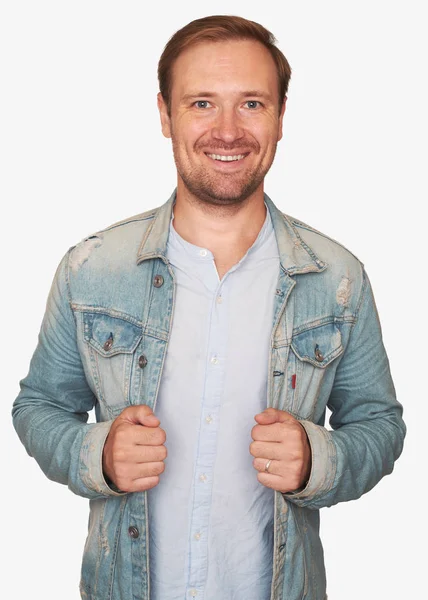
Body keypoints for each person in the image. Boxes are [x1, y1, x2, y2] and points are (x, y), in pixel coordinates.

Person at [12, 14, 406, 600]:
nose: (228, 131)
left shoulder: (338, 279)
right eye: (201, 103)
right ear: (165, 116)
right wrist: (96, 454)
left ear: (280, 118)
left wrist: (317, 460)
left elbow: (380, 425)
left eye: (251, 103)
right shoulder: (91, 268)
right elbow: (39, 407)